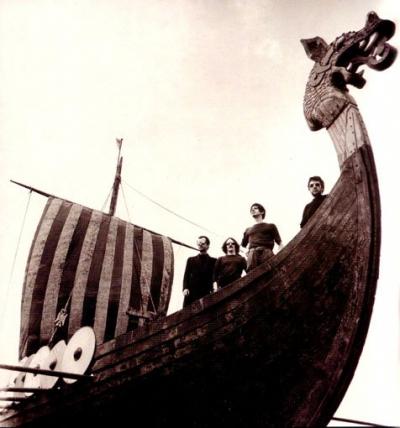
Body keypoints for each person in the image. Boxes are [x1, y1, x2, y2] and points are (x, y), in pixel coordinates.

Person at [241, 203, 283, 272]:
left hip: (266, 253)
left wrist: (279, 255)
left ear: (262, 212)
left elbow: (280, 243)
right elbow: (242, 246)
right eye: (251, 209)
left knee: (271, 272)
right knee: (252, 274)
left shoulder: (271, 226)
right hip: (252, 254)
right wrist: (246, 252)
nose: (253, 210)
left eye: (255, 208)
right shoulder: (248, 230)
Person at [182, 235, 216, 308]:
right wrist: (185, 288)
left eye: (202, 243)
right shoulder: (191, 260)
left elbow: (215, 277)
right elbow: (186, 275)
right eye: (198, 243)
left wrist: (214, 288)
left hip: (206, 293)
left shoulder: (214, 261)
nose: (200, 245)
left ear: (208, 246)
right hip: (191, 293)